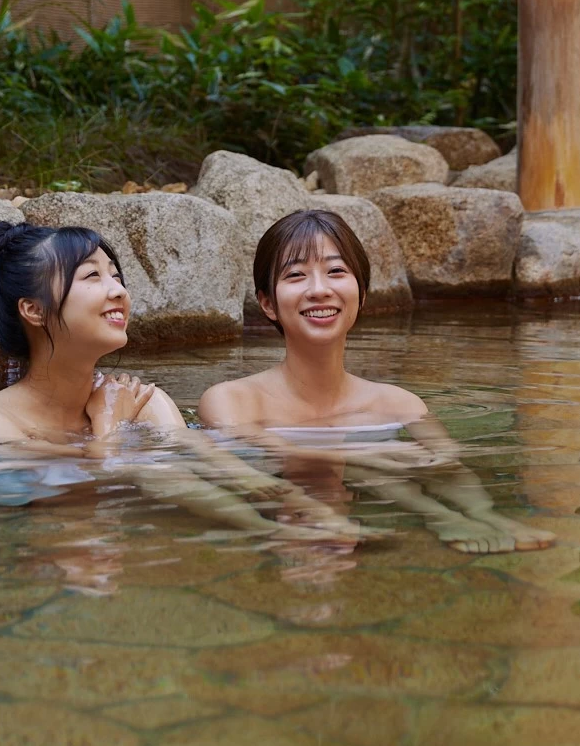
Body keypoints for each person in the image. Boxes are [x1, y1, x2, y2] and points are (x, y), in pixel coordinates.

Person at [0, 221, 359, 541]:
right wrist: (109, 424)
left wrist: (301, 510)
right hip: (40, 560)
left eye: (116, 276)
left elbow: (187, 471)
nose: (118, 291)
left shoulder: (142, 399)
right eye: (92, 277)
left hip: (114, 549)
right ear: (33, 310)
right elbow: (76, 487)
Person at [198, 209, 556, 554]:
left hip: (374, 489)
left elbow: (448, 460)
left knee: (397, 473)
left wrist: (478, 507)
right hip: (283, 501)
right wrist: (367, 452)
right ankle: (438, 515)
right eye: (296, 275)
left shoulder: (399, 404)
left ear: (362, 293)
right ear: (268, 304)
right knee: (370, 470)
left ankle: (484, 516)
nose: (319, 289)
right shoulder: (231, 401)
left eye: (336, 271)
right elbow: (257, 454)